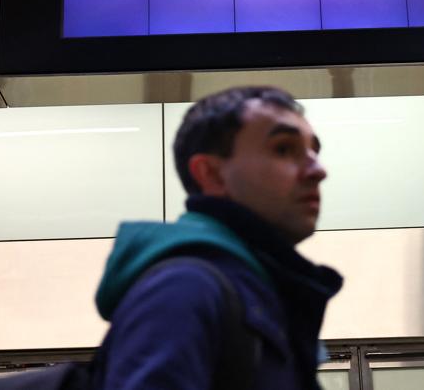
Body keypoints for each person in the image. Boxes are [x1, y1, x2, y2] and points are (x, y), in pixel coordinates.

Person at [91, 86, 343, 390]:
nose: (318, 170)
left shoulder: (260, 293)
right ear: (211, 174)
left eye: (314, 151)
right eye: (283, 149)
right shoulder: (184, 287)